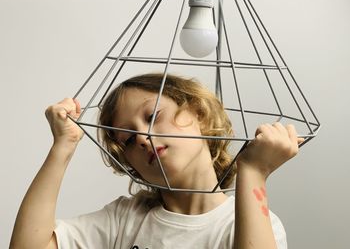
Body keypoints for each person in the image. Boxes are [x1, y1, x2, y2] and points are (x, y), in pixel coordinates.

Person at [10, 73, 304, 249]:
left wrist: (252, 172)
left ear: (198, 114)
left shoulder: (245, 223)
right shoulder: (126, 220)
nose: (141, 137)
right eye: (127, 140)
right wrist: (63, 146)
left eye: (152, 116)